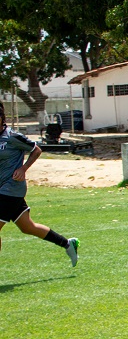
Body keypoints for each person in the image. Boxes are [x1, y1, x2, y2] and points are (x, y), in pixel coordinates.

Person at [0, 101, 79, 265]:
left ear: (1, 118)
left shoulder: (12, 136)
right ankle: (67, 243)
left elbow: (36, 149)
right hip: (2, 189)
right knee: (28, 227)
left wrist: (23, 168)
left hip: (11, 189)